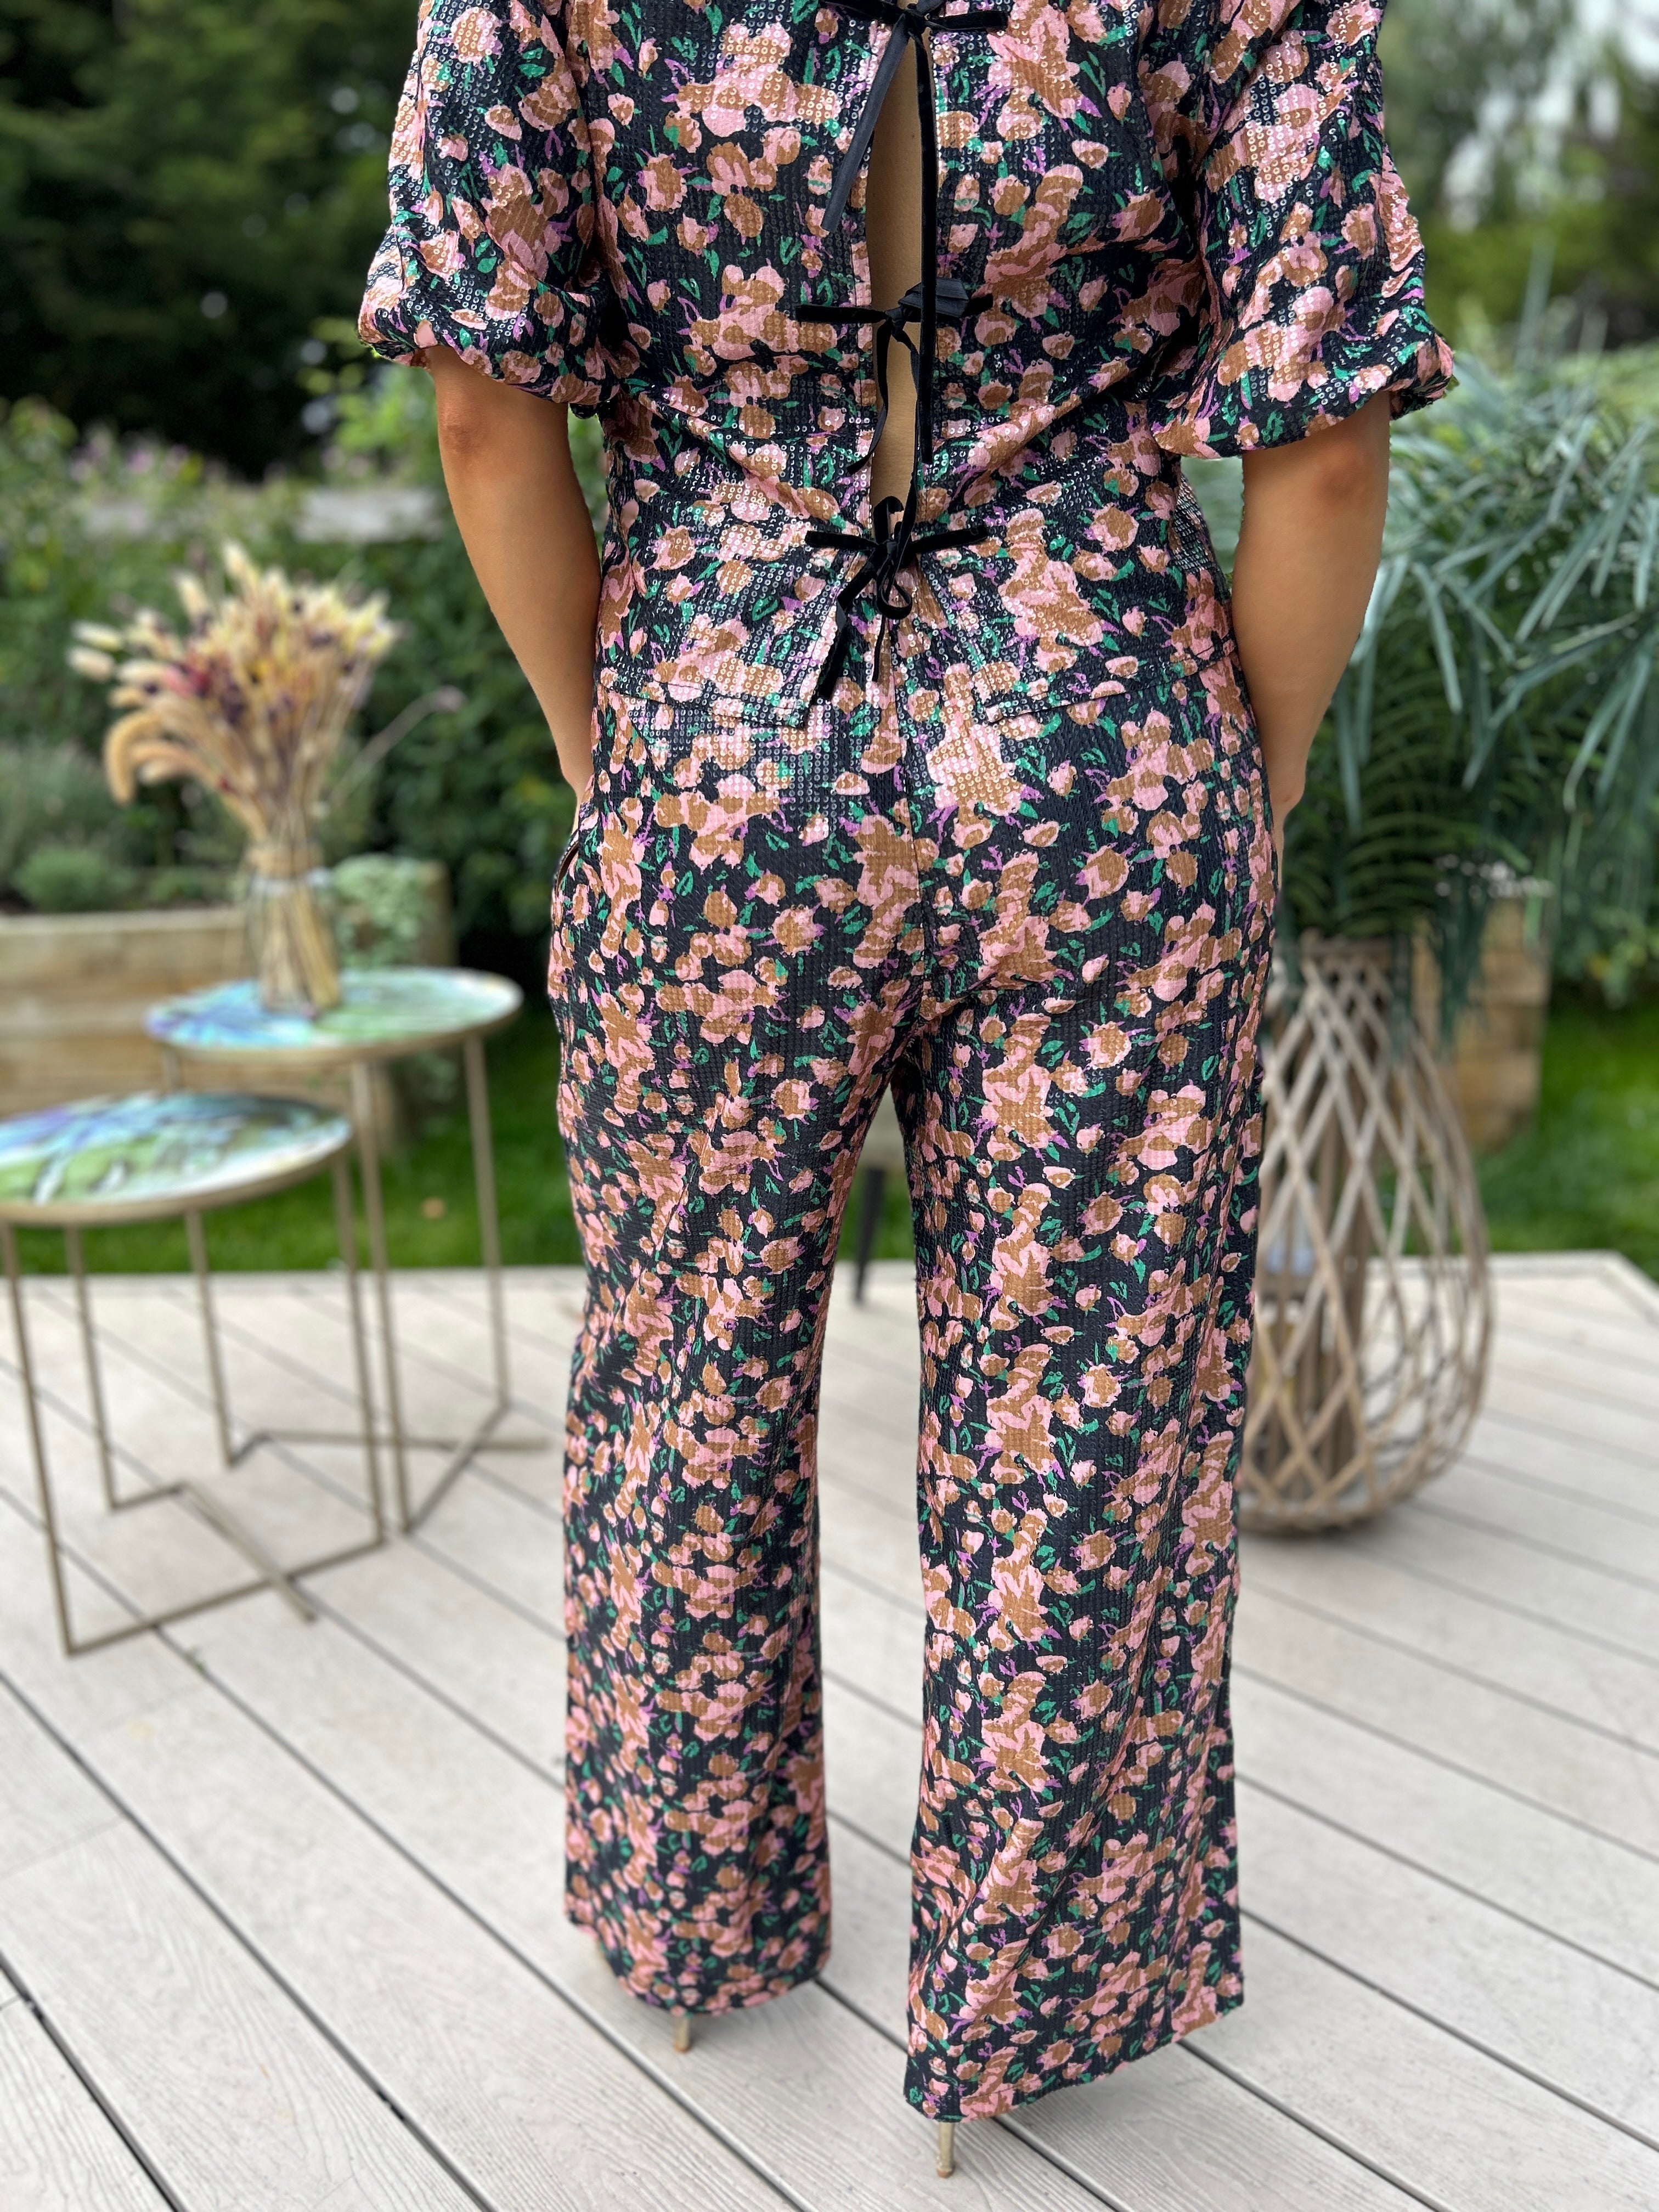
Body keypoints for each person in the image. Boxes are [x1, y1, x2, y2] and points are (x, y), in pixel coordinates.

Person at [360, 0, 1450, 2166]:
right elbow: (1323, 444)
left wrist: (622, 752)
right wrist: (1237, 788)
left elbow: (487, 407)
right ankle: (1034, 1999)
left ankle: (695, 1921)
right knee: (1091, 1406)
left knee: (688, 1365)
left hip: (716, 733)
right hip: (1101, 733)